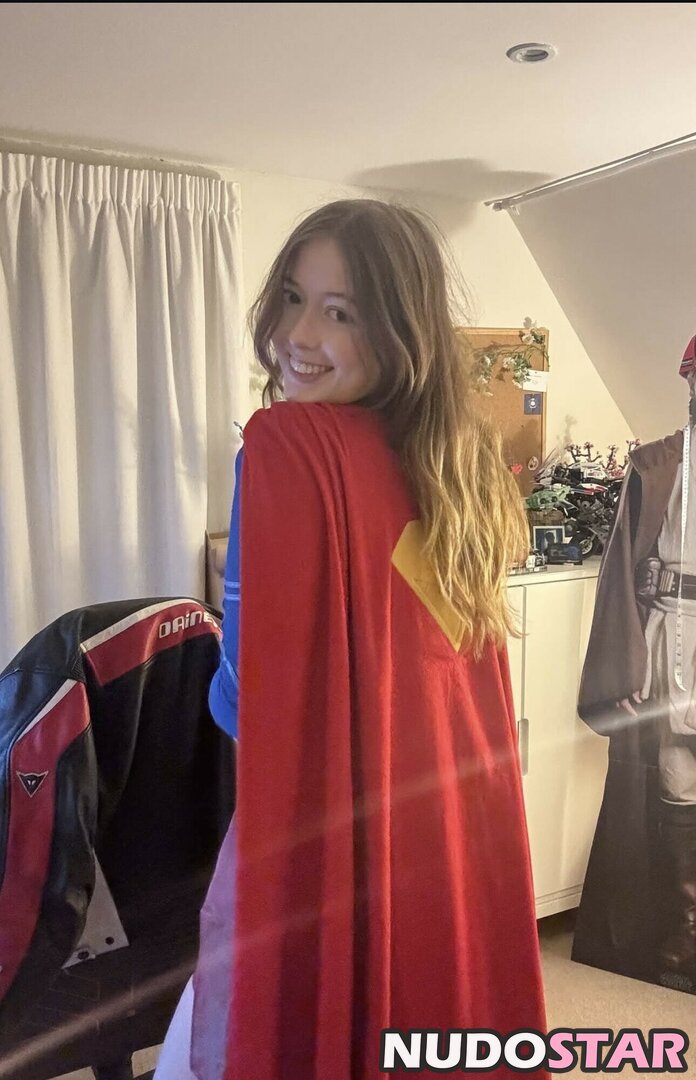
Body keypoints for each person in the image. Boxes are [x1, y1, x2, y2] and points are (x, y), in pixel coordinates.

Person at [155, 199, 546, 1079]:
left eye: (341, 312)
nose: (300, 335)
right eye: (294, 299)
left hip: (322, 815)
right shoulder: (459, 462)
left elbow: (247, 696)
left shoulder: (288, 449)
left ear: (400, 332)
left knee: (255, 1022)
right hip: (443, 821)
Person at [574, 336, 696, 995]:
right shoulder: (656, 464)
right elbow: (619, 574)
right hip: (670, 632)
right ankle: (683, 936)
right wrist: (620, 670)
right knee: (676, 778)